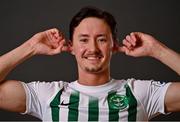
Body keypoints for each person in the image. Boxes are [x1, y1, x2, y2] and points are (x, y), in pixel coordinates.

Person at [0, 6, 180, 121]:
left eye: (101, 39)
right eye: (84, 40)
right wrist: (31, 46)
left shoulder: (139, 93)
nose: (92, 48)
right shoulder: (48, 95)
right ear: (71, 47)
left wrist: (157, 50)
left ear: (113, 45)